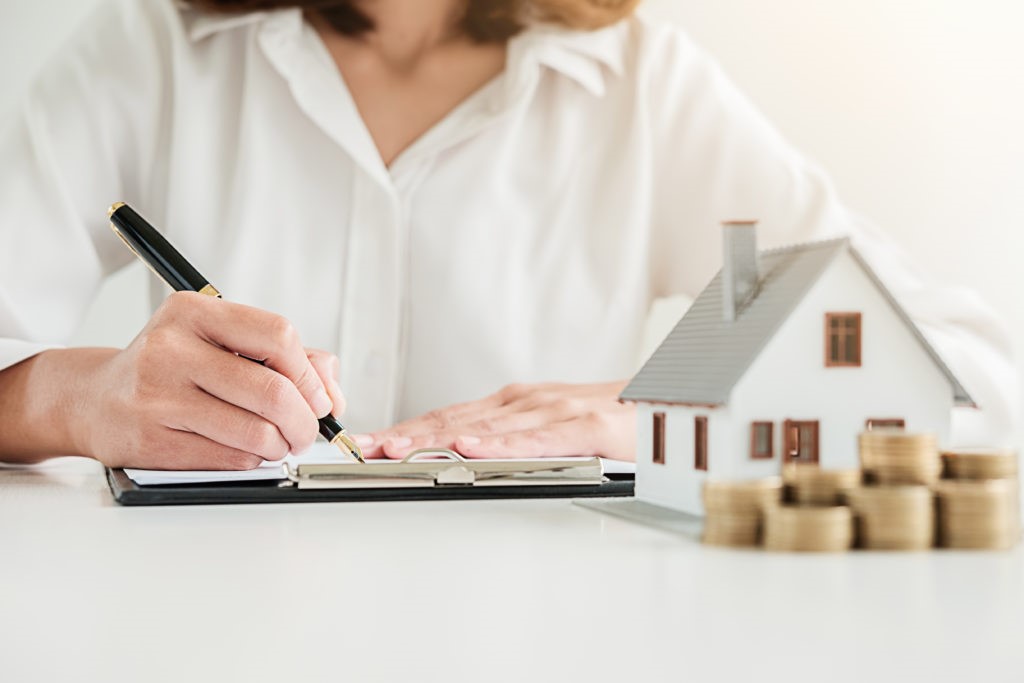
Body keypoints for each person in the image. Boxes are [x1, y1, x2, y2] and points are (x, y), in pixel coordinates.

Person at [0, 0, 1015, 469]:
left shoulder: (643, 89)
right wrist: (76, 395)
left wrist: (672, 416)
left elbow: (974, 375)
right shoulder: (148, 52)